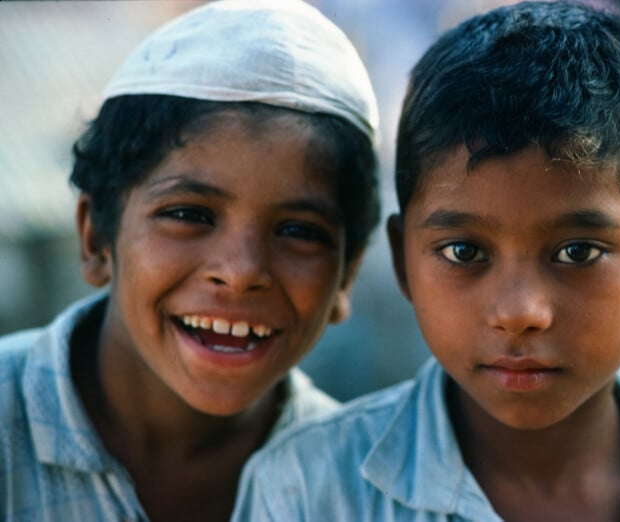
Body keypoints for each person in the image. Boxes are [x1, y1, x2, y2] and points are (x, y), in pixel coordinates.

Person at [233, 1, 620, 520]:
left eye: (578, 252)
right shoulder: (307, 492)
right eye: (464, 252)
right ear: (405, 263)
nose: (520, 311)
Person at [0, 1, 380, 520]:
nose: (242, 271)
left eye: (297, 231)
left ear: (347, 274)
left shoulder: (368, 489)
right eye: (188, 214)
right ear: (95, 238)